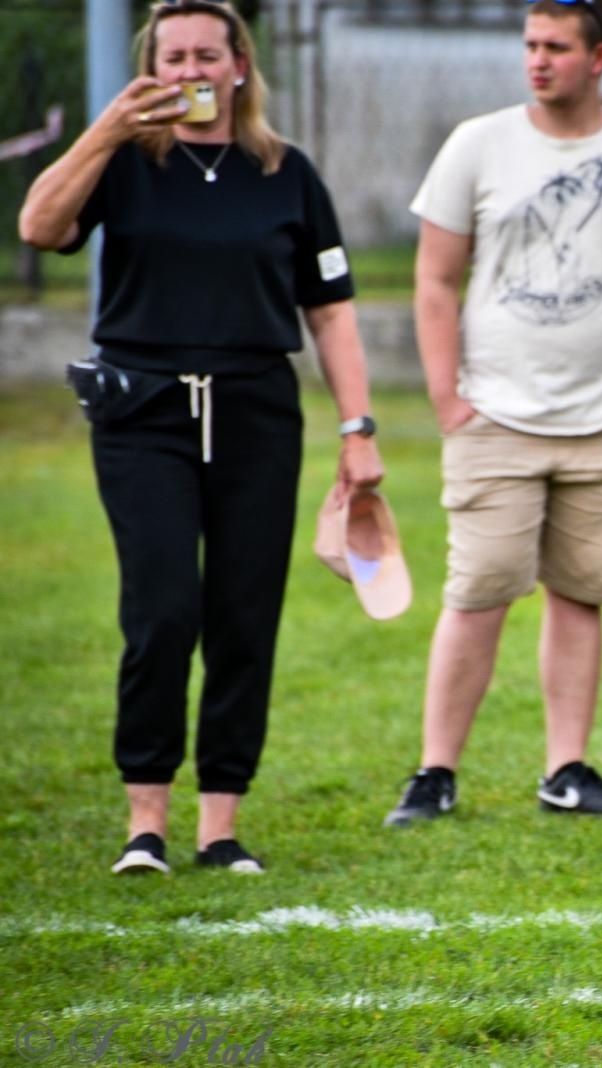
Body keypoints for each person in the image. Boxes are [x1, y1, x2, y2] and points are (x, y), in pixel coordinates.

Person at [17, 0, 384, 875]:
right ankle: (145, 822)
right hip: (143, 412)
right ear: (151, 69)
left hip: (258, 413)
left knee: (244, 617)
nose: (191, 71)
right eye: (173, 56)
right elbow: (39, 227)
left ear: (239, 65)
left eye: (207, 55)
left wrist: (358, 429)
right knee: (163, 611)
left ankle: (221, 825)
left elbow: (331, 313)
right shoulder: (122, 162)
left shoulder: (286, 171)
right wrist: (105, 130)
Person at [384, 0, 602, 826]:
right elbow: (434, 280)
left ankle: (566, 770)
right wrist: (448, 400)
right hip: (494, 418)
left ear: (600, 56)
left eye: (557, 46)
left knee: (580, 595)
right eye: (530, 44)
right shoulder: (477, 144)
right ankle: (434, 773)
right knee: (477, 592)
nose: (538, 59)